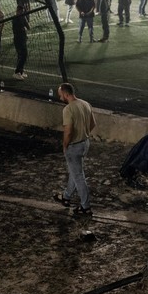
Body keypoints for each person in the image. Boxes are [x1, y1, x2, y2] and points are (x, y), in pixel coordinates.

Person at [53, 82, 96, 216]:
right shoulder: (85, 104)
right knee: (75, 171)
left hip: (74, 146)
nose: (60, 98)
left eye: (61, 96)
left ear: (66, 94)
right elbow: (93, 123)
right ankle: (66, 197)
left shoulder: (68, 109)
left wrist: (65, 145)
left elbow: (68, 132)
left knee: (78, 176)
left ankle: (85, 207)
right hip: (85, 143)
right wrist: (84, 134)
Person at [12, 4, 30, 80]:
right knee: (22, 55)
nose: (21, 13)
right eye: (20, 11)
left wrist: (25, 21)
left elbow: (28, 27)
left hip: (23, 38)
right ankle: (16, 72)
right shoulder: (15, 18)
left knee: (23, 55)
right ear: (17, 11)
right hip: (18, 39)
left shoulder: (23, 17)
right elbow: (19, 29)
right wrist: (24, 27)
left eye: (22, 11)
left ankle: (20, 71)